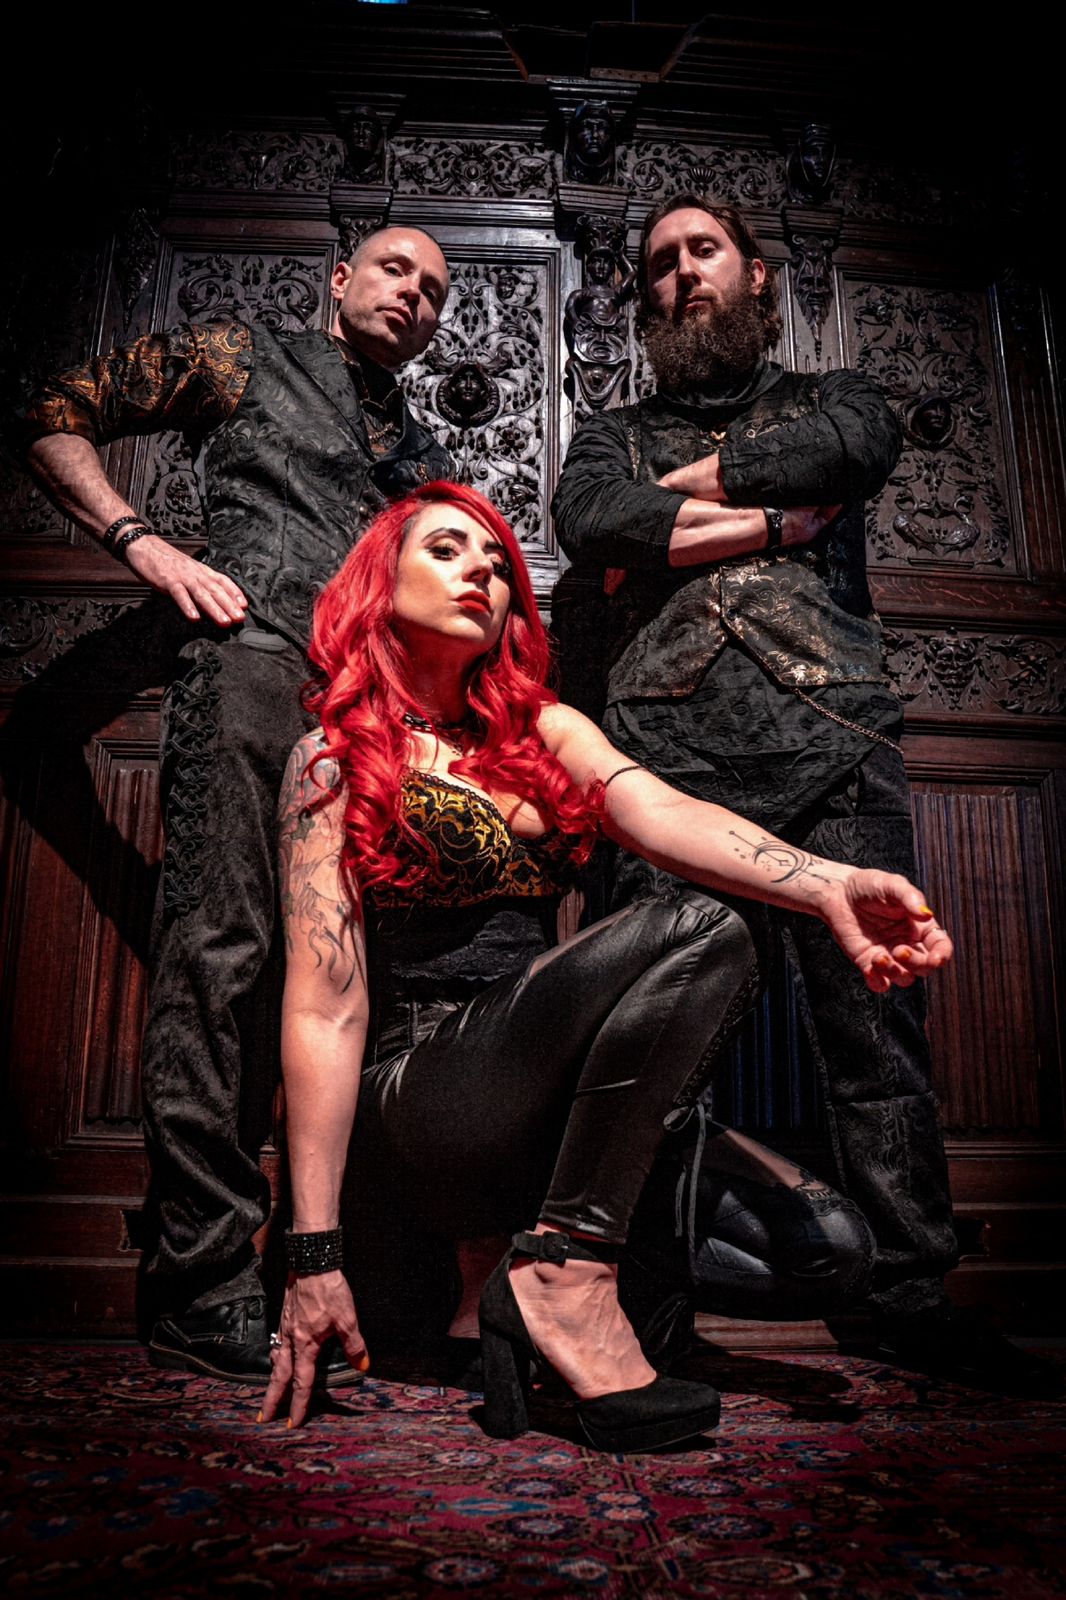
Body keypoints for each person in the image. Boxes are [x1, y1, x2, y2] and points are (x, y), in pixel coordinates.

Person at [259, 480, 951, 1446]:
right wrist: (312, 1253)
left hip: (555, 1094)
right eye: (447, 551)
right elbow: (324, 1009)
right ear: (380, 582)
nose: (481, 574)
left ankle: (534, 1271)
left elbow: (665, 815)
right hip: (426, 1097)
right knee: (706, 926)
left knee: (827, 1248)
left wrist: (830, 883)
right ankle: (569, 1274)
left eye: (498, 564)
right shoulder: (331, 757)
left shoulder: (543, 731)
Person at [550, 193, 1057, 1396]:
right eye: (661, 262)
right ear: (645, 297)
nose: (682, 274)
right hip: (663, 763)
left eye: (704, 251)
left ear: (758, 277)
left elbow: (852, 451)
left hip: (838, 740)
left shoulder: (838, 395)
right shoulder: (610, 433)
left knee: (875, 1037)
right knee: (652, 1043)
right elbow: (590, 518)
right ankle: (644, 1299)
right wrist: (775, 520)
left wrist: (688, 496)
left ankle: (905, 1294)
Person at [17, 226, 453, 1382]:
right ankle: (198, 1282)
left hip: (365, 715)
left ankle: (346, 1272)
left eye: (434, 291)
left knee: (351, 982)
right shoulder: (242, 355)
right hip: (249, 671)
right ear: (339, 279)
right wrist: (143, 543)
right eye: (395, 270)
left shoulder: (416, 445)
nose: (414, 296)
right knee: (223, 957)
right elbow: (52, 410)